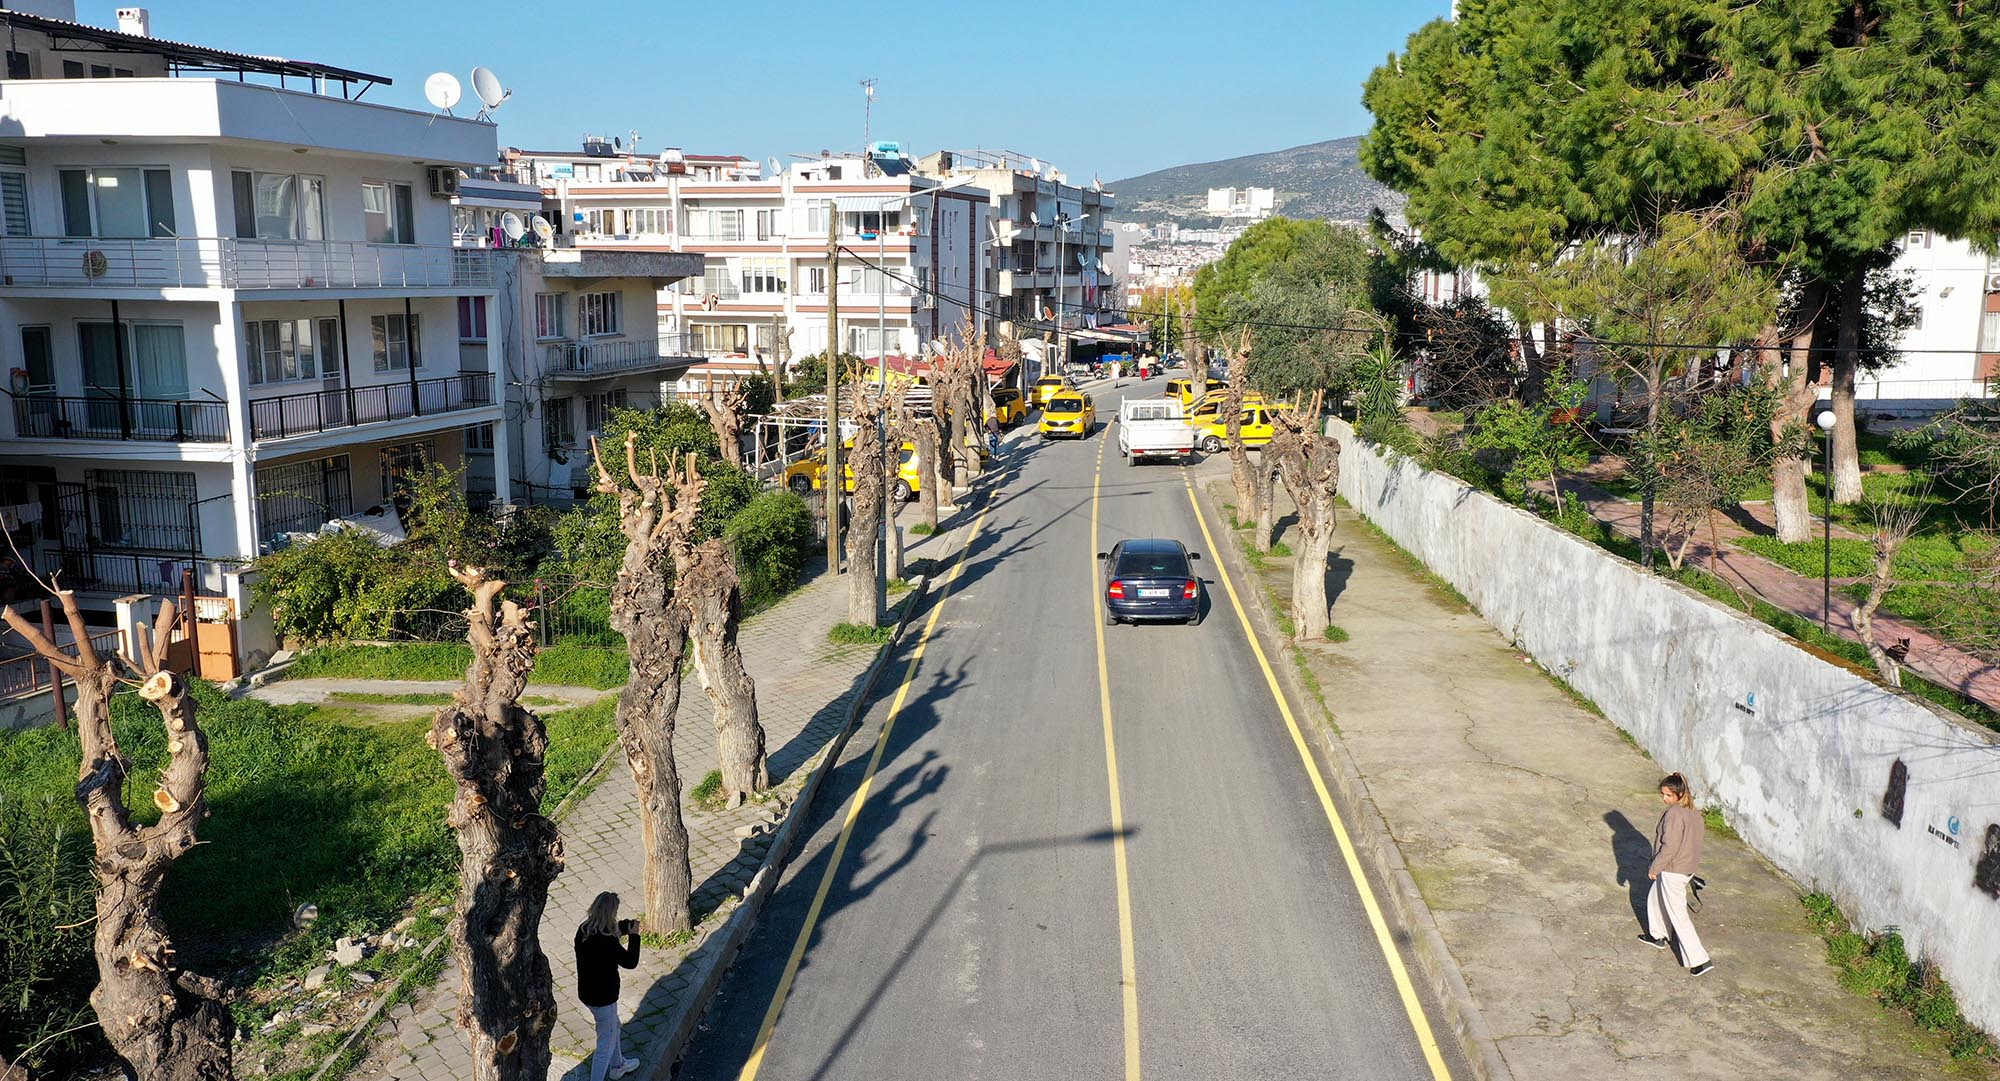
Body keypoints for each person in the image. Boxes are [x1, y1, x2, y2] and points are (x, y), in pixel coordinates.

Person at [1640, 773, 1712, 975]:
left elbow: (1669, 846)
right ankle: (1658, 935)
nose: (1664, 798)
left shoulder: (1674, 813)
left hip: (1673, 870)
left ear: (1679, 795)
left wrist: (1655, 867)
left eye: (1668, 795)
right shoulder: (1694, 814)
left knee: (1678, 915)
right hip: (1685, 868)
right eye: (1662, 794)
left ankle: (1700, 960)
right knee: (1655, 898)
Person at [575, 892, 643, 1080]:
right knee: (605, 1044)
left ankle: (618, 1065)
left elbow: (609, 930)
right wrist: (634, 936)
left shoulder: (584, 930)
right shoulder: (608, 942)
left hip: (587, 993)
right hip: (604, 998)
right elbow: (630, 962)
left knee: (614, 1027)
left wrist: (625, 927)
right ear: (611, 913)